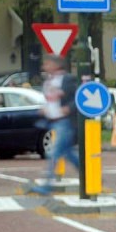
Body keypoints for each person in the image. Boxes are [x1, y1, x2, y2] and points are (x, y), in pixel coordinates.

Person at [32, 56, 78, 194]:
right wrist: (45, 109)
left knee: (54, 152)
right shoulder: (48, 81)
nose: (44, 66)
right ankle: (90, 176)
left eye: (47, 63)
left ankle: (47, 186)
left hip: (65, 122)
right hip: (52, 122)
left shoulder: (67, 79)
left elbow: (79, 97)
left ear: (56, 65)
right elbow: (51, 100)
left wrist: (68, 108)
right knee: (69, 153)